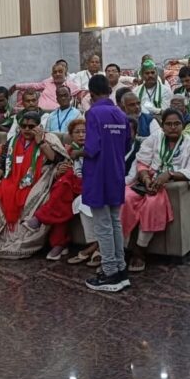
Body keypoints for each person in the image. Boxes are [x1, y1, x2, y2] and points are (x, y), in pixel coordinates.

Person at [122, 108, 190, 273]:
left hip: (168, 186)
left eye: (177, 124)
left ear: (183, 125)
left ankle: (140, 251)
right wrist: (146, 179)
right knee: (125, 198)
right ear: (162, 126)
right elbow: (142, 162)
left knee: (151, 204)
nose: (173, 127)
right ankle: (122, 248)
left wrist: (169, 175)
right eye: (169, 124)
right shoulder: (154, 138)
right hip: (146, 182)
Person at [0, 110, 66, 259]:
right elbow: (1, 163)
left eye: (31, 126)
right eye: (23, 126)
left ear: (39, 127)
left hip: (39, 181)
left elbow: (57, 160)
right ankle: (0, 237)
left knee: (35, 198)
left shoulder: (49, 138)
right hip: (12, 180)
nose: (26, 129)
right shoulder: (12, 141)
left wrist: (40, 142)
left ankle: (22, 242)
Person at [79, 75, 132, 291]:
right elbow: (127, 144)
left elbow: (92, 148)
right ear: (109, 91)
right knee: (114, 221)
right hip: (116, 172)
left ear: (91, 93)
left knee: (102, 225)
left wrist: (76, 152)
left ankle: (110, 272)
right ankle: (120, 268)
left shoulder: (93, 113)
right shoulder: (121, 114)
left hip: (98, 174)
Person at [25, 116, 87, 260]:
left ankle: (40, 218)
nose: (81, 135)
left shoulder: (93, 148)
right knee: (63, 200)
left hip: (88, 184)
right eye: (77, 132)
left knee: (65, 184)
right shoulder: (66, 150)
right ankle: (59, 245)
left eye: (84, 132)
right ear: (71, 135)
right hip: (69, 187)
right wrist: (59, 171)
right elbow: (56, 168)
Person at [12, 61, 80, 112]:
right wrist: (16, 86)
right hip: (40, 112)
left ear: (65, 74)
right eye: (55, 72)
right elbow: (33, 85)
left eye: (60, 71)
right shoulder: (47, 82)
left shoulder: (71, 85)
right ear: (52, 75)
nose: (57, 74)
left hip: (58, 113)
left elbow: (82, 94)